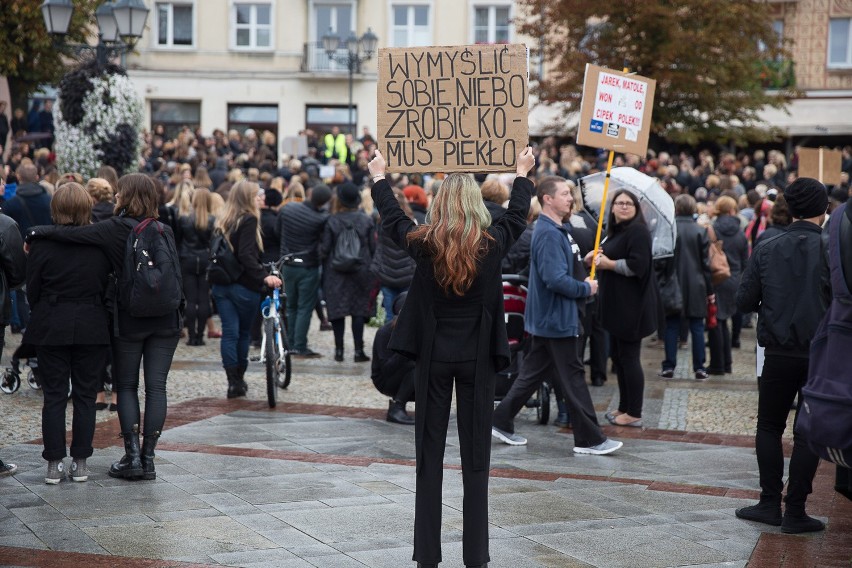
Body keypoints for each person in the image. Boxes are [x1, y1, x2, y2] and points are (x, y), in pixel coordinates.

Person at [27, 173, 184, 482]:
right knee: (156, 387)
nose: (114, 198)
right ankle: (148, 458)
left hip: (129, 318)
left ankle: (131, 456)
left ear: (126, 197)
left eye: (119, 193)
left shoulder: (113, 229)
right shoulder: (164, 229)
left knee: (126, 386)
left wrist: (33, 232)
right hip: (165, 318)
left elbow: (70, 235)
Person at [492, 176, 621, 451]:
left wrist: (583, 262)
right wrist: (585, 288)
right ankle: (589, 438)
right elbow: (554, 279)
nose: (570, 198)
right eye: (564, 194)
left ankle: (500, 419)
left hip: (551, 318)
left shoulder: (557, 229)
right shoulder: (549, 232)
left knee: (532, 374)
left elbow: (559, 269)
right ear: (547, 199)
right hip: (556, 318)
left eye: (570, 194)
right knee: (573, 377)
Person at [735, 177, 830, 534]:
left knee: (769, 425)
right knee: (807, 432)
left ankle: (770, 502)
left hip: (777, 350)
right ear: (824, 209)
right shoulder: (832, 249)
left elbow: (743, 301)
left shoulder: (768, 246)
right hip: (821, 352)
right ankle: (795, 510)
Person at [26, 183, 111, 484]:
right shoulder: (100, 244)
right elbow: (106, 286)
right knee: (86, 395)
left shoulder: (42, 244)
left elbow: (32, 288)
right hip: (91, 321)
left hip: (52, 321)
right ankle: (81, 461)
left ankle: (53, 463)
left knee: (55, 396)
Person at [590, 189, 656, 428]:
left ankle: (634, 412)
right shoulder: (614, 231)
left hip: (632, 308)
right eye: (619, 202)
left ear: (636, 208)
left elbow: (639, 266)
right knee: (618, 358)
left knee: (629, 359)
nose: (624, 206)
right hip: (616, 307)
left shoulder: (638, 231)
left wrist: (609, 264)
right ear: (613, 207)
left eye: (629, 203)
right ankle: (624, 406)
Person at [211, 180, 282, 398]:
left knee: (229, 333)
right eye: (256, 194)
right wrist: (264, 277)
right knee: (241, 333)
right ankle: (238, 378)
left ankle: (232, 381)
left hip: (221, 284)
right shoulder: (249, 219)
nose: (261, 197)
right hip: (243, 285)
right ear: (247, 198)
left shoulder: (223, 219)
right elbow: (246, 255)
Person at [320, 183, 375, 363]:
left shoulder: (332, 220)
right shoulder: (366, 220)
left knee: (337, 310)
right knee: (358, 310)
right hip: (361, 269)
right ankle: (359, 351)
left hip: (336, 271)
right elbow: (373, 247)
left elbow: (325, 248)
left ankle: (339, 350)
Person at [660, 194, 713, 380]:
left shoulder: (669, 230)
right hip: (696, 284)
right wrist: (710, 290)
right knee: (697, 327)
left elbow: (663, 260)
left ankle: (669, 366)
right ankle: (699, 367)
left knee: (672, 326)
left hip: (672, 283)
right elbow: (706, 264)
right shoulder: (701, 231)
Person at [277, 184, 331, 357]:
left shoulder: (287, 209)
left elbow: (277, 231)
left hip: (287, 263)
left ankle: (289, 343)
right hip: (308, 266)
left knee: (290, 306)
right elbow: (324, 241)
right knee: (304, 308)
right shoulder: (321, 218)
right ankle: (299, 345)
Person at [707, 196, 748, 375]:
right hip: (735, 278)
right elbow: (745, 260)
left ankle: (718, 364)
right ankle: (727, 363)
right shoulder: (740, 233)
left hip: (717, 277)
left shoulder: (712, 229)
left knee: (716, 321)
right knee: (724, 320)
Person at [176, 188, 215, 346]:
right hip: (205, 259)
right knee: (204, 298)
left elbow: (178, 240)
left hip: (188, 259)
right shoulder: (212, 220)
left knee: (191, 300)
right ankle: (199, 335)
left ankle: (192, 336)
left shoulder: (184, 220)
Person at [371, 292, 416, 425]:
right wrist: (404, 347)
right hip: (386, 380)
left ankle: (428, 408)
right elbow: (386, 369)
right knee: (416, 367)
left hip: (405, 374)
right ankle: (397, 407)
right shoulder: (385, 333)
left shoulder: (419, 329)